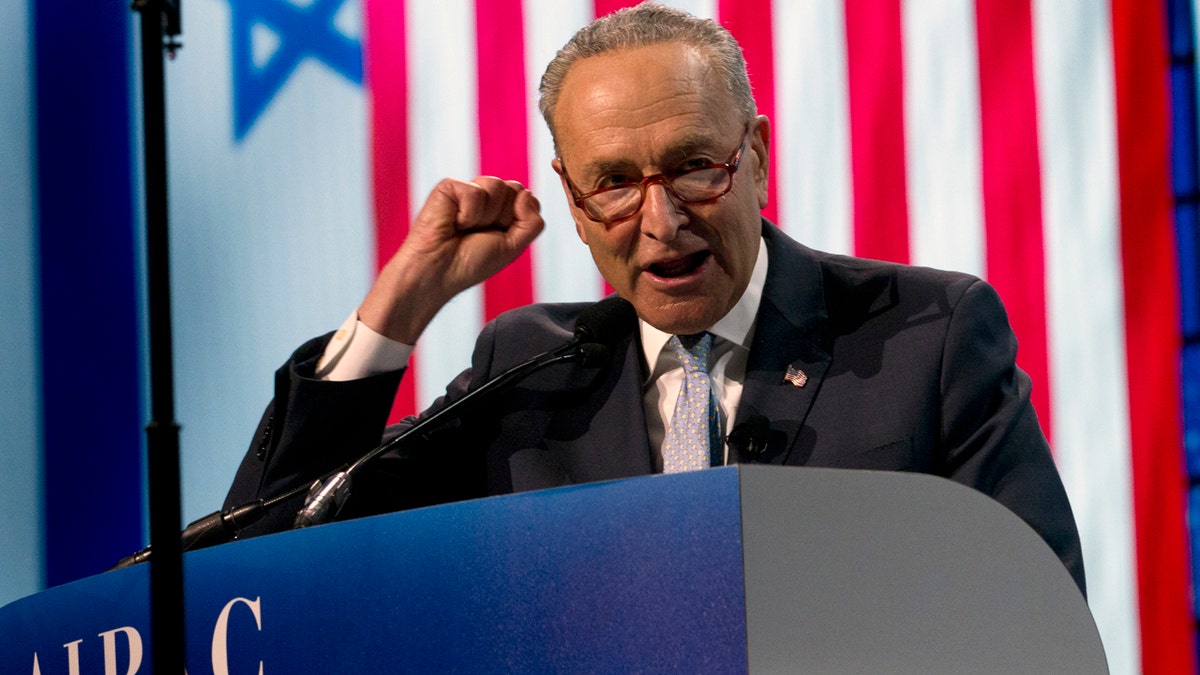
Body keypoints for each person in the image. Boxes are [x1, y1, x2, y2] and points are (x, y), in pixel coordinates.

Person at [225, 2, 1085, 595]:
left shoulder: (926, 338)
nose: (661, 221)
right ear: (570, 199)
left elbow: (1034, 607)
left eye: (693, 168)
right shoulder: (527, 368)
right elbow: (270, 552)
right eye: (614, 184)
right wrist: (399, 305)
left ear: (755, 155)